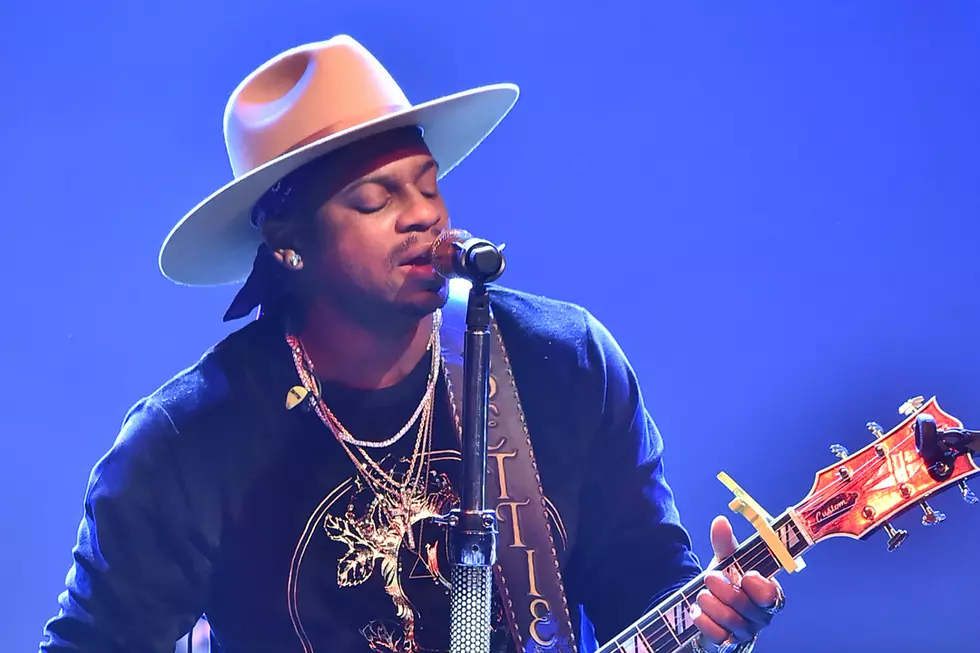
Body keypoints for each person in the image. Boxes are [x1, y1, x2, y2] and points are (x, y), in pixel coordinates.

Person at [40, 36, 784, 653]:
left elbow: (642, 584)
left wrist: (713, 619)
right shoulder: (187, 441)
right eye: (376, 199)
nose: (422, 217)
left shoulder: (564, 361)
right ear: (288, 244)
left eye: (428, 185)